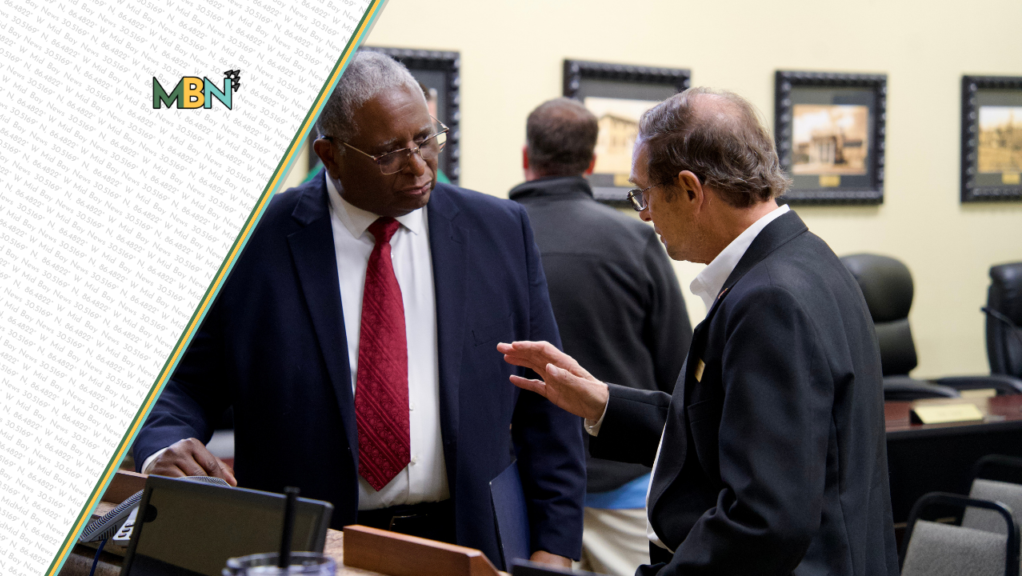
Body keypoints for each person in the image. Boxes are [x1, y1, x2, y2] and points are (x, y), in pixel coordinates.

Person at [132, 51, 584, 569]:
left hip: (471, 539)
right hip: (308, 546)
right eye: (389, 153)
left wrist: (555, 549)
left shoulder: (500, 231)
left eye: (425, 139)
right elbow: (181, 384)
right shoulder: (252, 240)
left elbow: (548, 396)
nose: (419, 166)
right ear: (330, 155)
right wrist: (163, 446)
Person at [499, 87, 898, 576]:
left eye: (644, 193)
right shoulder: (804, 259)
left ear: (690, 190)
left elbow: (764, 520)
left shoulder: (769, 299)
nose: (644, 213)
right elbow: (731, 432)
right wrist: (603, 404)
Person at [508, 98, 692, 576]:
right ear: (590, 163)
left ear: (526, 155)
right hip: (625, 489)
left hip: (527, 494)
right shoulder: (635, 241)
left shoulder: (492, 239)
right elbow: (679, 369)